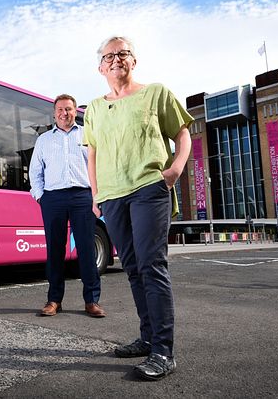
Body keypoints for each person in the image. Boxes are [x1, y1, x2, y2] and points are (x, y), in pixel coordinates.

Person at [83, 36, 193, 381]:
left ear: (134, 60)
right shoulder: (95, 108)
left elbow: (183, 133)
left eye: (123, 53)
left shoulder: (156, 93)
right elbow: (93, 153)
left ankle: (163, 350)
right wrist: (96, 195)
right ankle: (147, 337)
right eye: (109, 56)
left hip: (149, 188)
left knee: (152, 265)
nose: (116, 59)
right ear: (100, 67)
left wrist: (174, 170)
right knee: (132, 267)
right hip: (113, 196)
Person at [29, 94, 105, 319]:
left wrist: (96, 197)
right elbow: (35, 171)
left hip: (82, 197)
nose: (65, 113)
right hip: (53, 199)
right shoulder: (43, 140)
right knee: (54, 250)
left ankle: (92, 300)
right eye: (60, 109)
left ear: (75, 112)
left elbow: (98, 167)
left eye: (69, 109)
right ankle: (54, 300)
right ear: (54, 113)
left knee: (86, 250)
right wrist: (41, 196)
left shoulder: (87, 135)